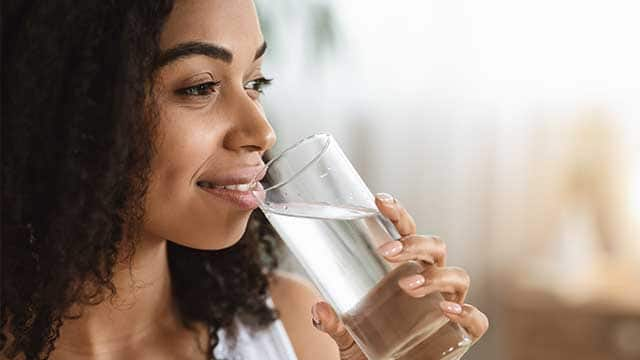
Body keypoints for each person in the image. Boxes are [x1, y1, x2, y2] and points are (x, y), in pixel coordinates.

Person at [1, 1, 489, 359]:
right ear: (73, 112)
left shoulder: (301, 331)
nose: (262, 130)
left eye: (255, 82)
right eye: (200, 87)